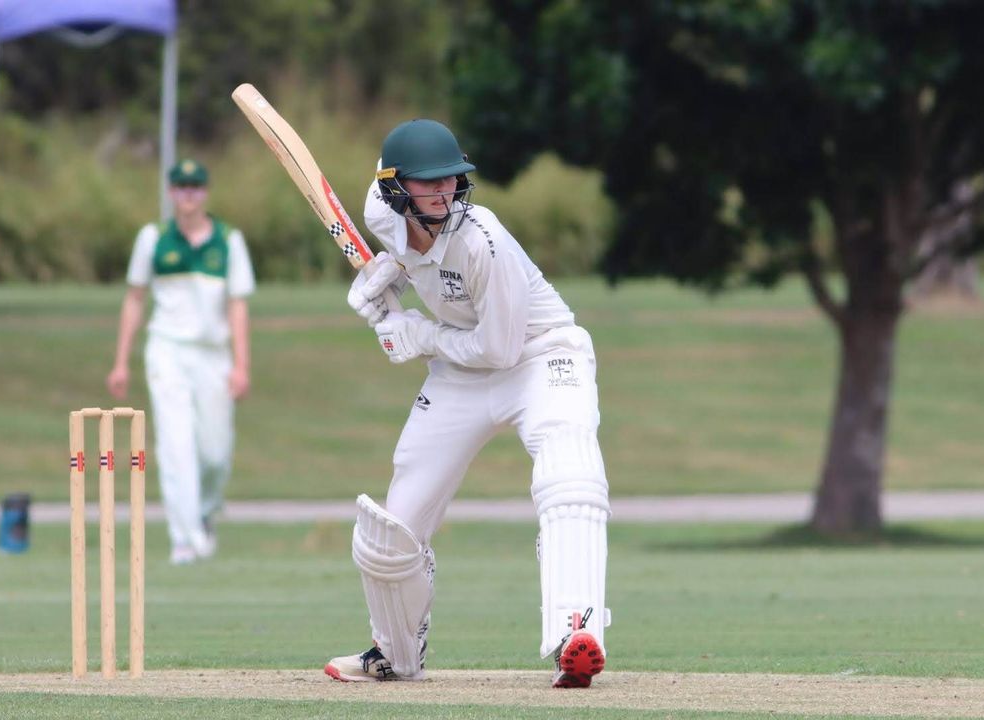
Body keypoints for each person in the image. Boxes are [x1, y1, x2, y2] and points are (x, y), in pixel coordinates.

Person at [324, 120, 610, 688]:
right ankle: (394, 653)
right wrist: (388, 288)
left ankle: (576, 633)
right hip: (461, 368)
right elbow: (412, 269)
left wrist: (419, 334)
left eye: (451, 180)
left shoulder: (485, 242)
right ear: (394, 188)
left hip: (539, 355)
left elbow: (500, 350)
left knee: (569, 476)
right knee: (393, 528)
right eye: (428, 184)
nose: (444, 192)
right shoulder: (381, 216)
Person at [107, 158, 255, 566]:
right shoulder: (153, 239)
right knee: (175, 445)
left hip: (213, 355)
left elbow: (237, 306)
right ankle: (184, 539)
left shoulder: (229, 240)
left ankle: (204, 513)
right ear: (171, 192)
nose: (188, 194)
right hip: (167, 350)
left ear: (205, 192)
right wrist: (121, 362)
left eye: (195, 187)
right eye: (181, 187)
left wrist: (241, 366)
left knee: (214, 452)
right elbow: (135, 299)